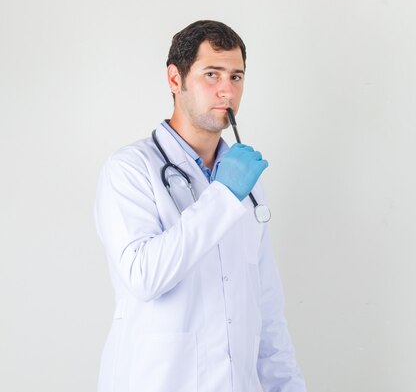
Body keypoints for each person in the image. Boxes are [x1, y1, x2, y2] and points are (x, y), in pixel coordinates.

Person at [94, 20, 306, 392]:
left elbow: (267, 313)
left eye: (236, 77)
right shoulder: (130, 169)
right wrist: (223, 195)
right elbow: (144, 276)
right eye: (212, 74)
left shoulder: (249, 185)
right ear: (175, 80)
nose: (227, 90)